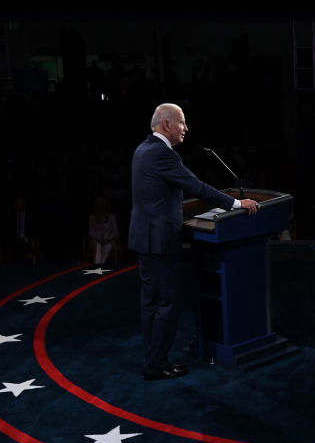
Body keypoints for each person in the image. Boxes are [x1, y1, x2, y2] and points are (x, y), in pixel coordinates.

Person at [128, 103, 258, 381]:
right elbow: (197, 187)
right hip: (161, 241)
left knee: (150, 303)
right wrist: (236, 202)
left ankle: (153, 359)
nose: (186, 128)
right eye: (182, 122)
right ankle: (156, 365)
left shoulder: (142, 150)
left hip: (144, 238)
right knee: (166, 303)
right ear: (166, 125)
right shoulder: (163, 155)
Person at [86, 196, 118, 264]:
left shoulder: (112, 217)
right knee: (98, 246)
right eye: (99, 204)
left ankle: (99, 265)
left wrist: (107, 239)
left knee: (107, 247)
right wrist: (98, 239)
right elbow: (91, 232)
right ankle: (97, 265)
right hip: (95, 241)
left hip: (109, 241)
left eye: (102, 204)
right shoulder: (92, 218)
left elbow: (115, 232)